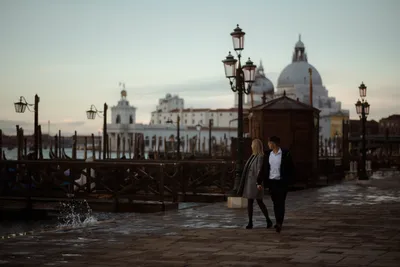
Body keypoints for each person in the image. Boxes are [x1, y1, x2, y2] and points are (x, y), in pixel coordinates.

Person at [257, 136, 294, 233]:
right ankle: (278, 220)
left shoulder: (285, 154)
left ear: (274, 143)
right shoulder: (267, 154)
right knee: (275, 203)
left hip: (282, 182)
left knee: (281, 202)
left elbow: (291, 168)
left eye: (269, 143)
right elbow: (263, 169)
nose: (268, 144)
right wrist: (259, 181)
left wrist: (288, 181)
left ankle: (279, 222)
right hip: (272, 182)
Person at [237, 138, 273, 229]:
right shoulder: (253, 156)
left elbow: (259, 170)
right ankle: (251, 222)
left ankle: (267, 220)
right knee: (251, 202)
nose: (251, 146)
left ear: (255, 146)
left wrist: (258, 183)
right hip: (250, 183)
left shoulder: (260, 157)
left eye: (252, 144)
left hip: (255, 183)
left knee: (259, 202)